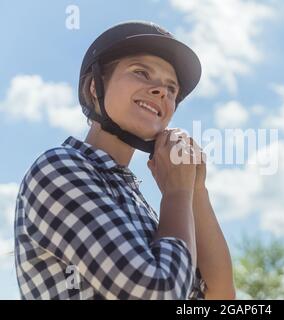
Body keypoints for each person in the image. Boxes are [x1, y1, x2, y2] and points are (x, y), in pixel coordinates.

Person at [14, 21, 235, 300]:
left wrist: (194, 189)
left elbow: (221, 298)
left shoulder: (138, 203)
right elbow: (158, 293)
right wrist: (176, 193)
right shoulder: (58, 169)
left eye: (172, 89)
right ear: (95, 86)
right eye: (141, 72)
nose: (162, 91)